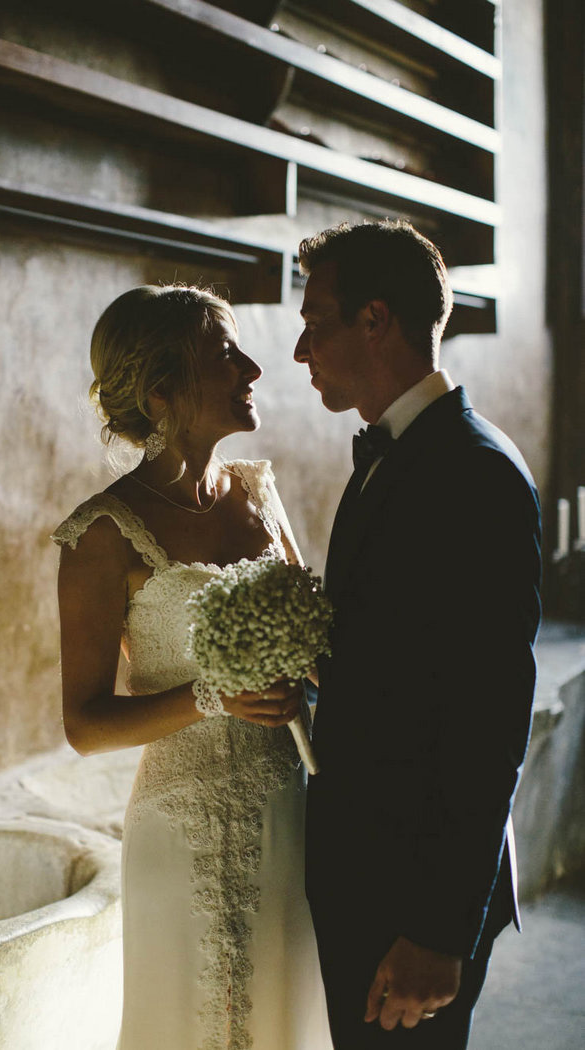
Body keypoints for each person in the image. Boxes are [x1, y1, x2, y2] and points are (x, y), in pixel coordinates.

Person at [52, 284, 333, 1050]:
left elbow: (316, 641)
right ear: (162, 392)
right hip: (180, 821)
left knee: (283, 1014)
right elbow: (84, 723)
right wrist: (213, 696)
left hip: (286, 810)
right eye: (225, 353)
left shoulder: (257, 495)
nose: (254, 368)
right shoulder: (101, 535)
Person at [294, 220, 541, 1049]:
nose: (300, 349)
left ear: (375, 320)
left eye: (315, 320)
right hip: (366, 867)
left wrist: (439, 931)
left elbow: (490, 714)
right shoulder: (393, 456)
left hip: (412, 894)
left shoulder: (472, 471)